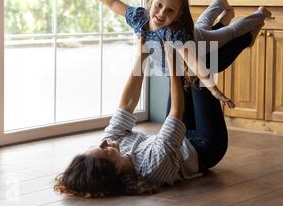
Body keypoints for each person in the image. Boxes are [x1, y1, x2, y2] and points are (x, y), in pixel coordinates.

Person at [75, 0, 271, 108]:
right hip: (194, 32)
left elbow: (194, 63)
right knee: (202, 24)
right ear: (151, 2)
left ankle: (260, 13)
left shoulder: (173, 33)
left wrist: (214, 89)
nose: (161, 13)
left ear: (178, 15)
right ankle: (220, 2)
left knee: (229, 33)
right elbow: (113, 3)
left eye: (170, 10)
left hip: (199, 41)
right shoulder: (139, 17)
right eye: (158, 5)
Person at [54, 38, 200, 197]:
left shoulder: (112, 142)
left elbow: (126, 105)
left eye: (97, 146)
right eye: (106, 151)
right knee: (205, 61)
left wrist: (143, 54)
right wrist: (173, 65)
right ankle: (228, 26)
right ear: (115, 168)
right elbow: (177, 112)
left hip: (178, 137)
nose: (104, 142)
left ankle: (222, 21)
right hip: (202, 147)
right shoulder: (151, 168)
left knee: (193, 54)